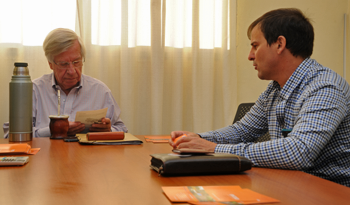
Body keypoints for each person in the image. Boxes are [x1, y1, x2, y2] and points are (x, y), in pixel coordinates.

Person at [169, 8, 350, 187]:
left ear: (280, 44)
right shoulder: (275, 89)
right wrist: (197, 139)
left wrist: (214, 149)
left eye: (255, 46)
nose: (250, 56)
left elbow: (298, 151)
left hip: (332, 191)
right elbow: (243, 131)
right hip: (293, 185)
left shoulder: (326, 87)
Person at [4, 28, 128, 138]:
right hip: (45, 160)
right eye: (64, 64)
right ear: (50, 64)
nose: (72, 71)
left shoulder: (100, 90)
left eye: (76, 62)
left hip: (88, 161)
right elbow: (9, 135)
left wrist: (109, 130)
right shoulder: (33, 90)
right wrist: (52, 131)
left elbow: (123, 131)